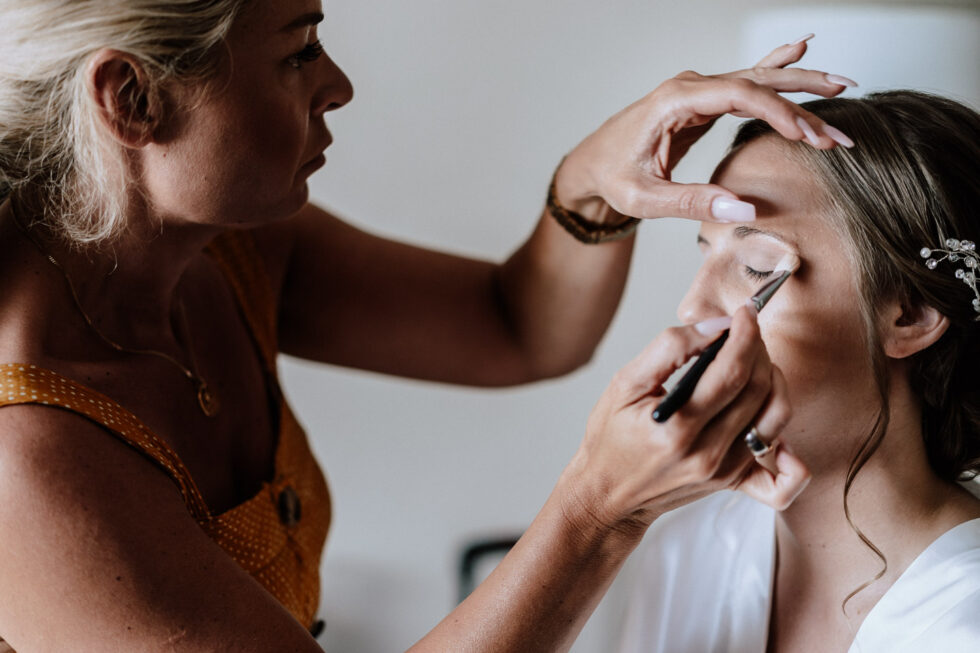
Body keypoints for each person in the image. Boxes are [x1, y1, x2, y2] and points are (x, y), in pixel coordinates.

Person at [0, 2, 848, 651]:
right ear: (130, 97)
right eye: (298, 52)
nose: (338, 84)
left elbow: (514, 328)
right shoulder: (24, 455)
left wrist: (589, 185)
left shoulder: (230, 249)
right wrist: (601, 510)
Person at [617, 90, 980, 652]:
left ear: (911, 314)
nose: (692, 309)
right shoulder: (681, 551)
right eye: (703, 255)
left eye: (755, 266)